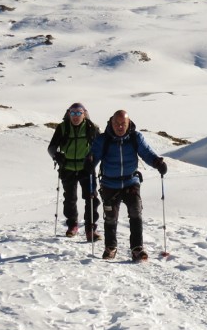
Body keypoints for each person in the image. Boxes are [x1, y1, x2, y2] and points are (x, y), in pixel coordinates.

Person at [88, 109, 167, 261]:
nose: (119, 127)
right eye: (116, 123)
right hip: (109, 183)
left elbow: (147, 153)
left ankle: (137, 248)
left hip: (131, 182)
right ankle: (110, 247)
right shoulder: (103, 139)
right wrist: (89, 163)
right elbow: (94, 158)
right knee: (111, 217)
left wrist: (157, 162)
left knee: (135, 212)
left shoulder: (135, 137)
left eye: (123, 123)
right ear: (111, 122)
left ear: (128, 123)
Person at [47, 102, 101, 240]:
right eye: (73, 113)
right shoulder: (63, 127)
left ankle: (90, 229)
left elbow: (100, 148)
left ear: (84, 114)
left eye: (78, 113)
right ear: (69, 114)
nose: (76, 116)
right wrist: (57, 156)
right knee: (70, 199)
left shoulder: (91, 128)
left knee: (91, 198)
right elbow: (51, 147)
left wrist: (93, 160)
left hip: (86, 168)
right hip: (67, 167)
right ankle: (73, 226)